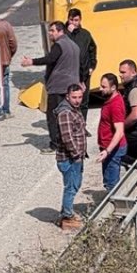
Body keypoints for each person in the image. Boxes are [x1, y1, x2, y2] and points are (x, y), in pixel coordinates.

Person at [21, 21, 81, 154]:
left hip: (59, 86)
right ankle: (70, 141)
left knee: (53, 116)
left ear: (60, 31)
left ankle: (55, 144)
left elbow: (50, 59)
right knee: (69, 115)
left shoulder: (59, 45)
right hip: (72, 86)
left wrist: (31, 61)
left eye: (52, 31)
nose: (49, 33)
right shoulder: (74, 45)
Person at [55, 83, 88, 229]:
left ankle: (65, 212)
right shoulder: (66, 113)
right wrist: (76, 155)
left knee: (75, 184)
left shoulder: (72, 109)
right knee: (71, 186)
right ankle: (67, 214)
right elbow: (67, 137)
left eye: (80, 97)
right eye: (74, 97)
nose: (77, 100)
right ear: (67, 96)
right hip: (69, 158)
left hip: (75, 157)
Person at [95, 72, 127, 192]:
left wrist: (107, 151)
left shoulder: (115, 105)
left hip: (113, 149)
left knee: (111, 184)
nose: (100, 89)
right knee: (108, 180)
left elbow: (119, 132)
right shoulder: (111, 100)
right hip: (108, 148)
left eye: (104, 87)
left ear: (113, 88)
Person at [66, 8, 97, 103]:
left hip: (85, 73)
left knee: (83, 101)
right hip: (69, 74)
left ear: (80, 20)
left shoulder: (85, 34)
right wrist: (68, 33)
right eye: (71, 20)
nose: (73, 23)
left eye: (76, 20)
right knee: (70, 100)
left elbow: (92, 49)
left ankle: (82, 118)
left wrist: (92, 65)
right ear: (68, 19)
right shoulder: (63, 34)